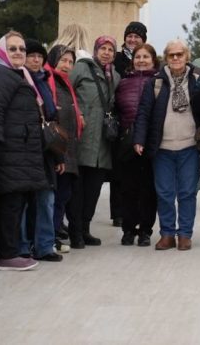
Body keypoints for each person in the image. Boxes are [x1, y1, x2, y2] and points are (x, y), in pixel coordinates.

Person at [0, 31, 49, 271]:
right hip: (10, 151)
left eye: (21, 49)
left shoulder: (18, 75)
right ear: (2, 52)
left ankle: (14, 250)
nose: (19, 52)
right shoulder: (1, 75)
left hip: (21, 151)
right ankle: (7, 254)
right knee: (11, 203)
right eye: (13, 49)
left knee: (18, 202)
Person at [134, 39, 200, 250]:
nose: (175, 58)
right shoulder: (156, 82)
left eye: (179, 54)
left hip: (189, 147)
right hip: (162, 148)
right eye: (171, 55)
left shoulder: (198, 78)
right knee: (164, 193)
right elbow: (144, 112)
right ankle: (167, 233)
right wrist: (139, 139)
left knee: (187, 193)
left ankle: (185, 234)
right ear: (165, 59)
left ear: (187, 57)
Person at [68, 35, 119, 248]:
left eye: (110, 49)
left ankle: (86, 229)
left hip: (103, 143)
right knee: (77, 190)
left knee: (93, 190)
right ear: (96, 50)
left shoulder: (114, 76)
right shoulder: (81, 68)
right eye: (103, 48)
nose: (106, 52)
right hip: (82, 138)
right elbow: (67, 92)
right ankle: (75, 232)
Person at [19, 38, 64, 263]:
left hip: (45, 150)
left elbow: (52, 119)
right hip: (25, 150)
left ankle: (45, 246)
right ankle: (23, 246)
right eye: (32, 56)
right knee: (26, 201)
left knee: (47, 199)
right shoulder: (17, 79)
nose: (36, 60)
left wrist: (58, 154)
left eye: (39, 56)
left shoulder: (45, 81)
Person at [114, 42, 159, 246]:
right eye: (138, 57)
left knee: (148, 189)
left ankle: (146, 230)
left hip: (151, 142)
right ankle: (128, 229)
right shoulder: (123, 83)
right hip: (126, 141)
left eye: (145, 57)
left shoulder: (159, 82)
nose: (141, 60)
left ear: (153, 60)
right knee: (128, 188)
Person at [45, 44, 82, 254]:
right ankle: (49, 237)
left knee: (62, 197)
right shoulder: (48, 82)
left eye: (70, 62)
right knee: (53, 198)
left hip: (68, 153)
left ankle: (55, 234)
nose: (67, 65)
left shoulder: (66, 85)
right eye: (63, 61)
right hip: (54, 153)